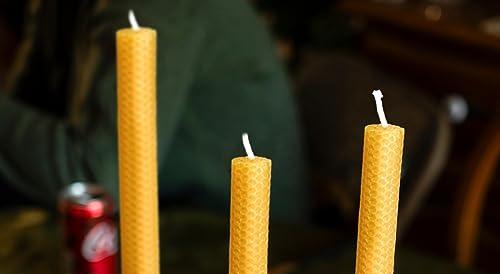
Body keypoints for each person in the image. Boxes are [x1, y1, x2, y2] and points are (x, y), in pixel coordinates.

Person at [0, 0, 308, 222]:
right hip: (143, 225)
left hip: (228, 238)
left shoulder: (154, 7)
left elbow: (95, 184)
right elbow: (25, 108)